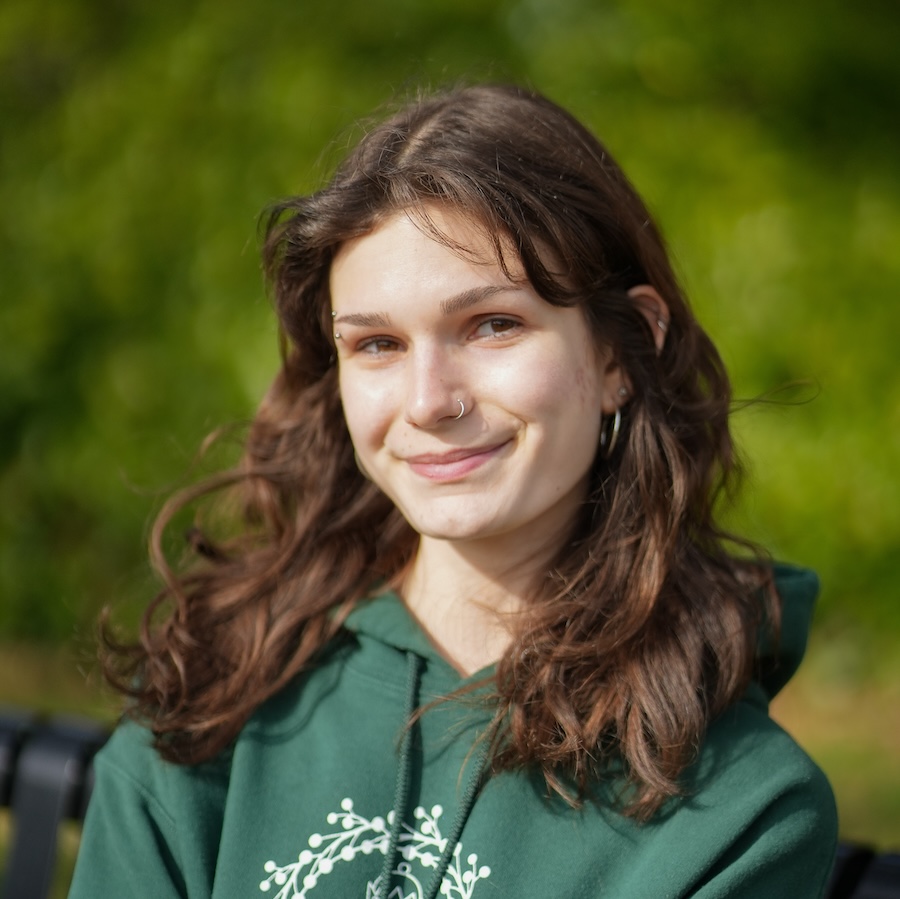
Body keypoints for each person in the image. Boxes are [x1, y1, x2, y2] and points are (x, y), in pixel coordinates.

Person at [69, 84, 837, 899]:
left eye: (492, 325)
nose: (430, 399)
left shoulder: (742, 810)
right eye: (377, 343)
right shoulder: (217, 697)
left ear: (621, 353)